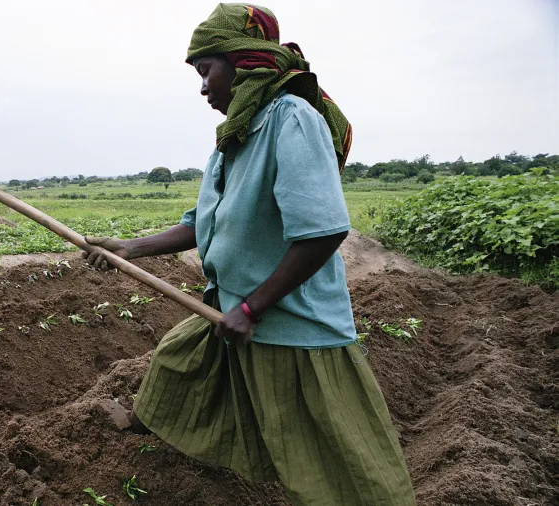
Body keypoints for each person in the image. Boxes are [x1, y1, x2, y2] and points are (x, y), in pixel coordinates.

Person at [82, 4, 416, 505]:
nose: (202, 88)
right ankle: (151, 439)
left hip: (291, 321)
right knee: (177, 363)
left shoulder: (293, 120)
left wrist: (251, 308)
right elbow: (202, 224)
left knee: (337, 464)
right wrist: (130, 248)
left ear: (244, 61)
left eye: (205, 71)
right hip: (231, 302)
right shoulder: (233, 138)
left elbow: (324, 232)